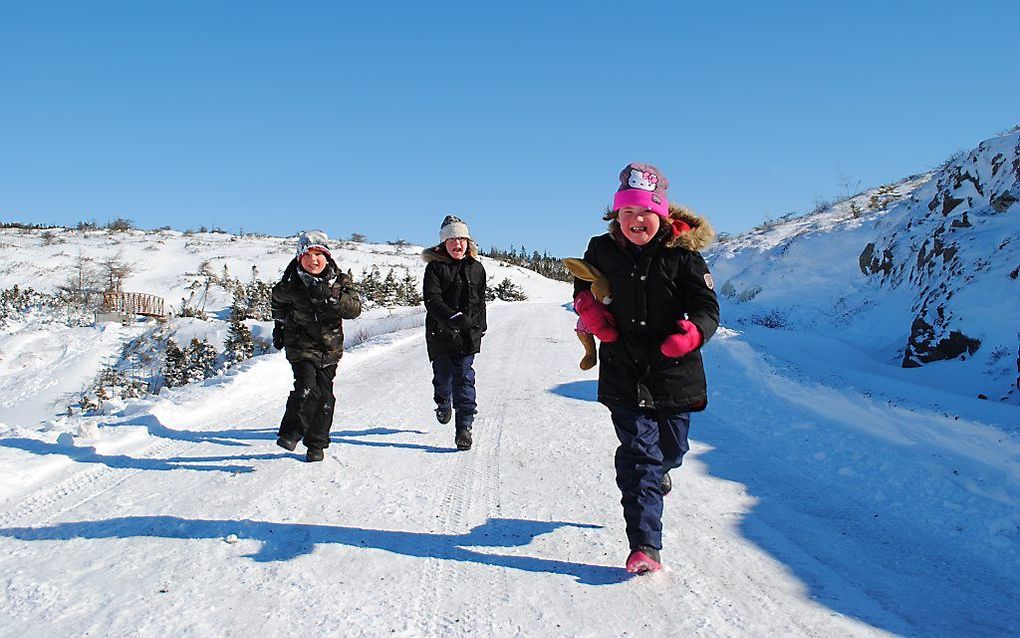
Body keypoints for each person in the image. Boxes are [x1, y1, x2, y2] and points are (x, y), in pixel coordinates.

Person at [573, 163, 719, 573]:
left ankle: (664, 471)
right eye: (628, 212)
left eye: (646, 212)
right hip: (623, 368)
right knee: (640, 456)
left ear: (662, 214)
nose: (637, 220)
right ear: (616, 216)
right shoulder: (601, 250)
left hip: (674, 370)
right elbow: (584, 284)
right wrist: (587, 307)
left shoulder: (685, 256)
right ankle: (644, 546)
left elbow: (708, 307)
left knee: (671, 449)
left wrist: (693, 335)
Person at [271, 230, 362, 462]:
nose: (313, 260)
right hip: (300, 346)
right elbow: (277, 300)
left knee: (325, 398)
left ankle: (316, 444)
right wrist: (279, 326)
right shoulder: (292, 282)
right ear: (300, 257)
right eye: (308, 255)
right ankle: (290, 433)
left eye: (319, 254)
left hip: (330, 349)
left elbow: (355, 309)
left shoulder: (339, 281)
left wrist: (334, 298)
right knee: (306, 388)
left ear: (327, 257)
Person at [422, 215, 487, 450]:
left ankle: (464, 427)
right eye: (452, 239)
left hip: (467, 335)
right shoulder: (435, 268)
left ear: (469, 242)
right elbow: (432, 299)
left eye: (461, 239)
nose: (457, 244)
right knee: (443, 378)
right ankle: (442, 401)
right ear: (443, 244)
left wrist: (481, 326)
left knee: (464, 376)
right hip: (441, 334)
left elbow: (480, 301)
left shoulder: (477, 268)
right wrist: (450, 317)